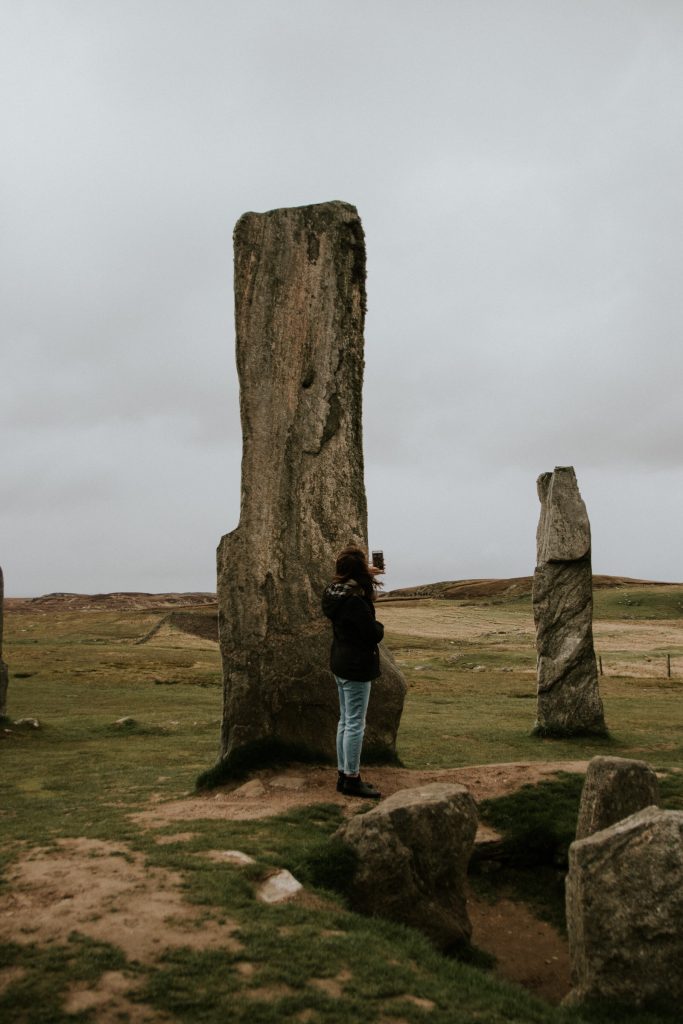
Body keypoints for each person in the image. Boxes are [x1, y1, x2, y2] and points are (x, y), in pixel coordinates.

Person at [321, 545, 384, 798]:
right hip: (356, 666)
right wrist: (378, 623)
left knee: (345, 721)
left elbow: (351, 588)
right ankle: (352, 778)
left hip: (341, 663)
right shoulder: (356, 601)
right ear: (358, 571)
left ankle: (343, 773)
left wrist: (362, 575)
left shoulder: (335, 593)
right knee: (356, 723)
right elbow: (373, 633)